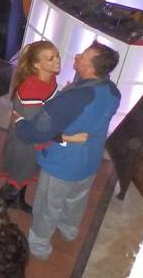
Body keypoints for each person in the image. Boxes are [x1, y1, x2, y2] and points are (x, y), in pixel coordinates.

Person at [14, 42, 121, 260]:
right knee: (76, 199)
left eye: (82, 56)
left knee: (48, 205)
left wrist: (20, 124)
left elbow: (38, 130)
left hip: (62, 163)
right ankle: (69, 229)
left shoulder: (71, 100)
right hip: (90, 159)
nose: (77, 56)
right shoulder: (112, 91)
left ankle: (39, 245)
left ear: (90, 68)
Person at [0, 41, 62, 214]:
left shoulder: (50, 78)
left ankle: (17, 201)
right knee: (18, 175)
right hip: (24, 141)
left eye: (57, 55)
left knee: (26, 173)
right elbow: (39, 123)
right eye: (50, 58)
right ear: (36, 65)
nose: (57, 61)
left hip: (34, 138)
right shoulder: (32, 87)